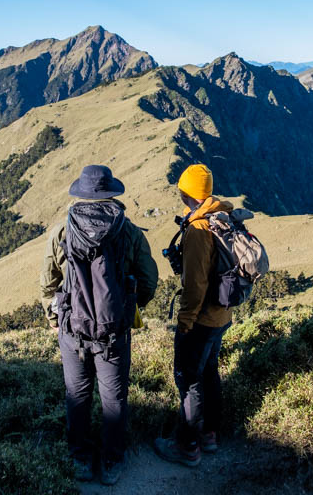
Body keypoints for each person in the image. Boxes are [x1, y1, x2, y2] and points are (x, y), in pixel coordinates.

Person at [40, 164, 158, 486]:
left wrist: (54, 320)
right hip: (112, 333)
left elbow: (48, 282)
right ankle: (111, 462)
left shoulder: (63, 231)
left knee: (77, 394)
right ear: (111, 192)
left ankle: (78, 458)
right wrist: (129, 308)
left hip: (73, 332)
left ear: (81, 193)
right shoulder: (129, 231)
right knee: (114, 398)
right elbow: (149, 280)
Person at [154, 163, 233, 467]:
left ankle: (187, 445)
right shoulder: (220, 217)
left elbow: (196, 284)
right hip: (222, 315)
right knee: (209, 371)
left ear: (186, 193)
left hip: (201, 319)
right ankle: (210, 434)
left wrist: (185, 323)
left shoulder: (199, 230)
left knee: (190, 380)